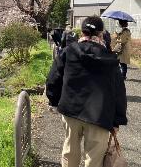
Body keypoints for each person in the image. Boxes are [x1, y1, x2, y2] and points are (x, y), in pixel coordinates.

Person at [46, 16, 127, 167]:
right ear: (101, 34)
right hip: (100, 116)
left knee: (70, 152)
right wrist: (118, 119)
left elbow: (53, 78)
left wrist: (54, 101)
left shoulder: (68, 51)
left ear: (82, 32)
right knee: (94, 159)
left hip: (71, 110)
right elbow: (119, 92)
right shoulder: (110, 59)